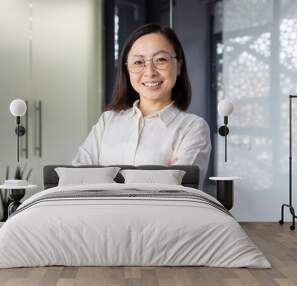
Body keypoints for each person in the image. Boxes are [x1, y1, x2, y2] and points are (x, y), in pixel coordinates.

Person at [72, 23, 211, 188]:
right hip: (100, 213)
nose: (150, 72)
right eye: (138, 62)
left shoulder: (193, 128)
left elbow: (178, 191)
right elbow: (76, 180)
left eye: (161, 60)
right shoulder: (107, 121)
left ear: (178, 66)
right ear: (127, 69)